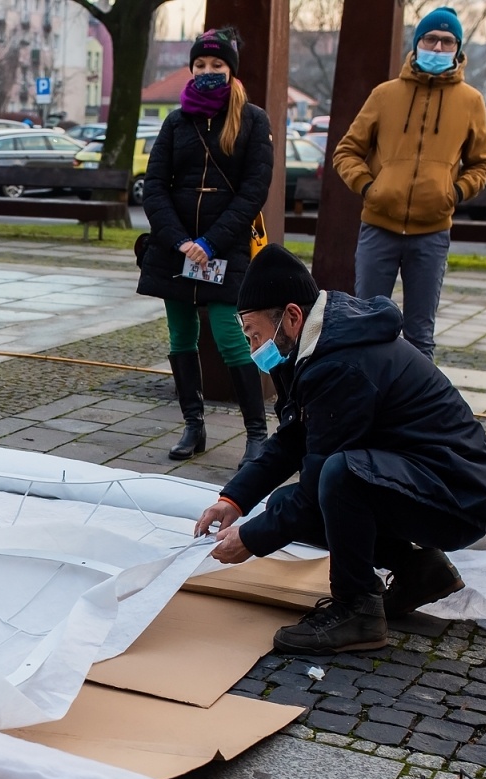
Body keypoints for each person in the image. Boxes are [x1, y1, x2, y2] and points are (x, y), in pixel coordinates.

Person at [193, 245, 486, 655]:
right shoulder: (313, 346)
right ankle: (420, 572)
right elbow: (293, 439)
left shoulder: (340, 362)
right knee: (292, 501)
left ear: (291, 316)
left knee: (337, 476)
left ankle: (356, 609)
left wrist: (251, 538)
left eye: (255, 334)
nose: (255, 350)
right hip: (428, 479)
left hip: (459, 494)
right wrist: (234, 499)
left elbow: (322, 474)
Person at [139, 28, 276, 464]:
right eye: (200, 65)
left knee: (231, 337)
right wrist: (179, 240)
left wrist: (209, 241)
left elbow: (255, 190)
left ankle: (257, 434)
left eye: (217, 65)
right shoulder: (176, 122)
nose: (208, 72)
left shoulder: (253, 120)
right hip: (175, 249)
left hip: (225, 249)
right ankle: (193, 425)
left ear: (231, 69)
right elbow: (155, 186)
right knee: (182, 336)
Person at [331, 6, 486, 360]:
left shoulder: (471, 101)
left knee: (421, 334)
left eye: (447, 41)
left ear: (458, 49)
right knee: (366, 324)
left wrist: (455, 192)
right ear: (417, 43)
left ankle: (418, 411)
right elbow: (346, 151)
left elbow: (481, 164)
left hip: (432, 233)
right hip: (379, 227)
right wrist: (370, 188)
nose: (437, 48)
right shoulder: (385, 94)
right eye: (430, 39)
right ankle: (363, 406)